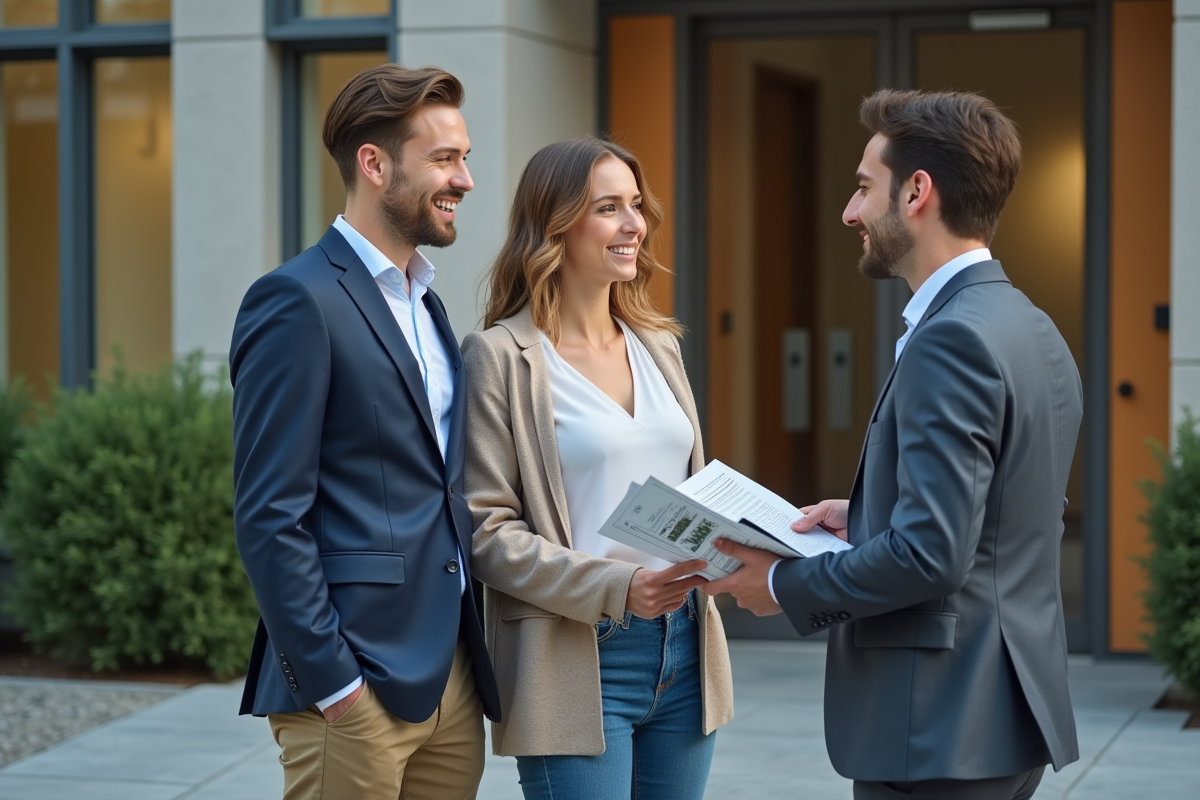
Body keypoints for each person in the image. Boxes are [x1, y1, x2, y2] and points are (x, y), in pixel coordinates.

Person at [706, 89, 1082, 800]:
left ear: (917, 192)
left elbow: (931, 555)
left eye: (862, 187)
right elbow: (1006, 509)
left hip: (935, 724)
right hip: (1000, 714)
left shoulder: (952, 338)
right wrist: (875, 509)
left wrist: (782, 585)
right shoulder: (1032, 327)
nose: (850, 213)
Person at [229, 64, 500, 800]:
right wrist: (333, 682)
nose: (466, 180)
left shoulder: (429, 307)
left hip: (451, 677)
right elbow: (268, 514)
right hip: (355, 689)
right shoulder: (296, 301)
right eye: (445, 159)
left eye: (465, 157)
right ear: (374, 164)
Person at [462, 137, 734, 800]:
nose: (634, 224)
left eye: (636, 206)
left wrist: (734, 545)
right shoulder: (501, 357)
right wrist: (617, 586)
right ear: (556, 225)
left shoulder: (659, 345)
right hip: (578, 658)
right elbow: (486, 534)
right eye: (608, 207)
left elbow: (684, 493)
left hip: (685, 645)